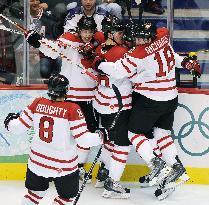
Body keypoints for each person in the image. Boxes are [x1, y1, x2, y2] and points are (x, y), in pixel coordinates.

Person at [98, 21, 201, 199]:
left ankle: (156, 164)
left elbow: (116, 71)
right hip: (171, 97)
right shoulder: (162, 36)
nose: (139, 41)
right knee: (162, 134)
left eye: (142, 38)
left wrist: (99, 63)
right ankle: (175, 167)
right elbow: (174, 57)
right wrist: (186, 63)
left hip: (151, 99)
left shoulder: (138, 54)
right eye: (138, 38)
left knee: (134, 133)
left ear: (150, 37)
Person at [24, 15, 105, 182]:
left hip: (90, 98)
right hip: (69, 98)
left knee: (86, 134)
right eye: (84, 30)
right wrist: (37, 41)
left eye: (90, 31)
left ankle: (79, 168)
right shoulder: (69, 40)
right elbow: (53, 50)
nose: (87, 34)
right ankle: (60, 166)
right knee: (65, 135)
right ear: (78, 30)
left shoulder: (100, 42)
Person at [4, 73, 104, 205]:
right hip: (63, 166)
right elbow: (83, 140)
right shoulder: (72, 109)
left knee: (33, 196)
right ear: (66, 90)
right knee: (66, 199)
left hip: (37, 163)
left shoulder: (37, 103)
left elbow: (17, 127)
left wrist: (10, 121)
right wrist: (101, 136)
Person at [92, 16, 132, 199]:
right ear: (110, 33)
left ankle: (103, 173)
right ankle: (112, 183)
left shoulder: (100, 48)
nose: (122, 35)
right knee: (122, 144)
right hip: (118, 104)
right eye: (119, 32)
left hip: (102, 102)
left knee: (108, 141)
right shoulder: (121, 51)